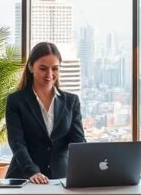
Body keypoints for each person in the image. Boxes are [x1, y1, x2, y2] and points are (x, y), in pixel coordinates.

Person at [5, 42, 86, 184]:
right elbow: (17, 142)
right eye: (43, 68)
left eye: (55, 69)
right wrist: (32, 171)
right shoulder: (16, 100)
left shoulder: (71, 101)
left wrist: (90, 167)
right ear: (31, 67)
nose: (49, 75)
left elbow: (78, 142)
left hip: (61, 179)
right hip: (24, 177)